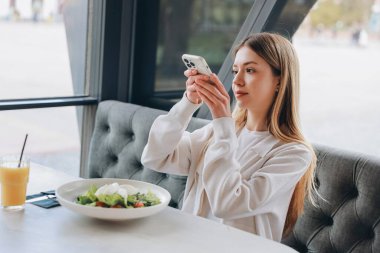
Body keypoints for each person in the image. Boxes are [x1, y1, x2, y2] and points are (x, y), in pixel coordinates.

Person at [141, 32, 316, 242]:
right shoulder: (217, 132)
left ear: (279, 80)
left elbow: (228, 205)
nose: (237, 81)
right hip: (191, 244)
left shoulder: (294, 153)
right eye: (235, 71)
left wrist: (223, 122)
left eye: (250, 70)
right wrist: (188, 102)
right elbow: (155, 156)